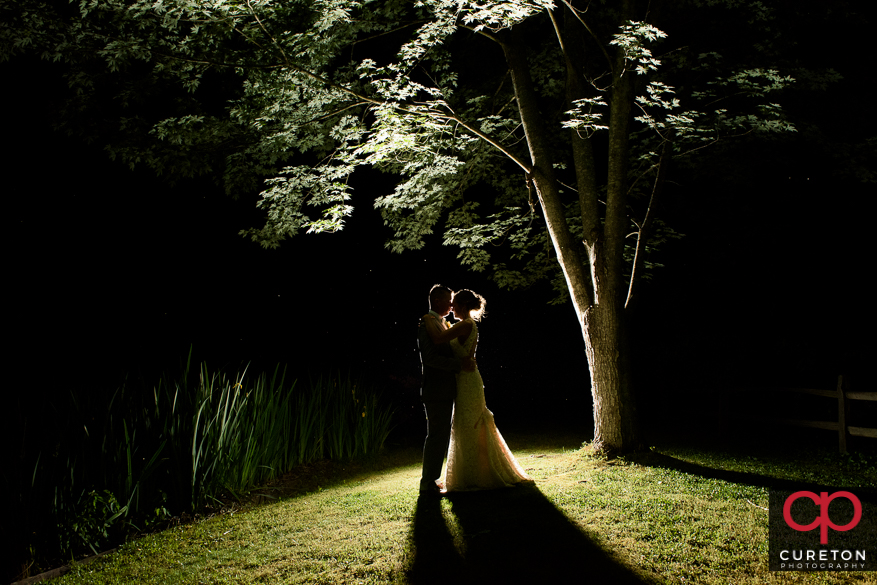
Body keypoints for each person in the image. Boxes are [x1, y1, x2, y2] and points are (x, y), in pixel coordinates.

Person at [422, 289, 533, 492]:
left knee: (471, 424)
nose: (451, 307)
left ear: (462, 306)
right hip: (462, 380)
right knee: (466, 425)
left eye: (454, 303)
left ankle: (476, 472)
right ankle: (471, 472)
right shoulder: (459, 324)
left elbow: (439, 339)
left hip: (467, 381)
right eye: (449, 302)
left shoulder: (464, 324)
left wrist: (429, 319)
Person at [416, 284, 475, 496]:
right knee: (436, 435)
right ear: (438, 301)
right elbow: (430, 359)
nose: (452, 304)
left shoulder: (440, 323)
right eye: (449, 300)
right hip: (435, 389)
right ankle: (427, 482)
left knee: (441, 435)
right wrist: (459, 366)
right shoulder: (426, 324)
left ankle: (433, 479)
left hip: (447, 388)